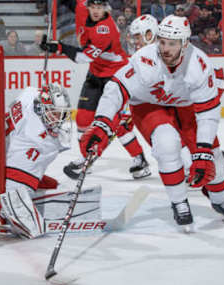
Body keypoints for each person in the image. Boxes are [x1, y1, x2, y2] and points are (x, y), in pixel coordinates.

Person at [79, 15, 224, 231]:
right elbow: (116, 89)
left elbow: (208, 112)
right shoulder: (144, 58)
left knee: (213, 160)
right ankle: (179, 202)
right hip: (149, 106)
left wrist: (204, 150)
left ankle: (220, 201)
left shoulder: (199, 64)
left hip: (186, 108)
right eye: (162, 42)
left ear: (185, 44)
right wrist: (102, 123)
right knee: (166, 145)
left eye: (172, 44)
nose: (165, 49)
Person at [41, 0, 151, 181]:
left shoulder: (105, 29)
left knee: (116, 124)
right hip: (96, 73)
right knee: (83, 120)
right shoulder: (83, 10)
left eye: (100, 7)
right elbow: (72, 5)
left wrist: (58, 47)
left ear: (105, 8)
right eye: (93, 7)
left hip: (116, 76)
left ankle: (139, 160)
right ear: (88, 7)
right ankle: (87, 158)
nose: (97, 11)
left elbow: (83, 57)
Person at [0, 83, 75, 238]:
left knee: (50, 184)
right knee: (25, 195)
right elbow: (16, 190)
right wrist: (29, 224)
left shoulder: (30, 95)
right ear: (40, 109)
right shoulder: (37, 140)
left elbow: (32, 92)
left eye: (61, 114)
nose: (59, 119)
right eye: (54, 113)